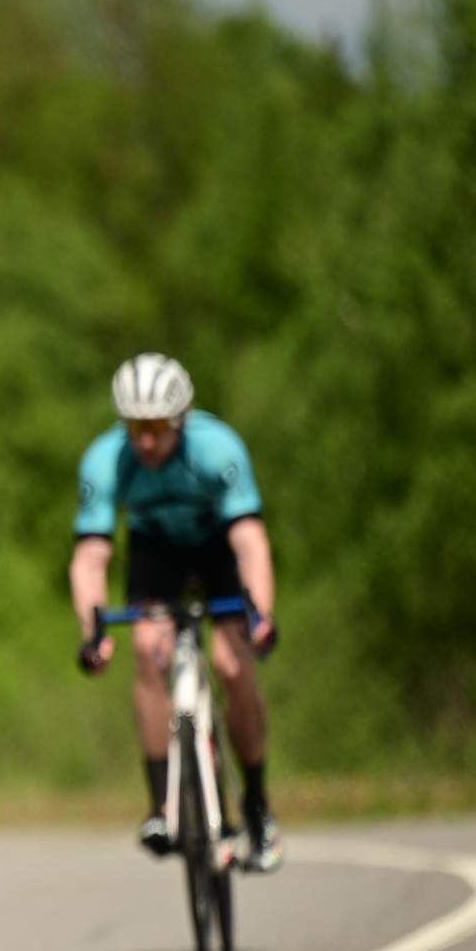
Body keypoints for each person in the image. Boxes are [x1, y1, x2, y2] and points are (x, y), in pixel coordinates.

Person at [69, 353, 281, 872]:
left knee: (233, 667)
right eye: (136, 427)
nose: (145, 441)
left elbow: (249, 539)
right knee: (147, 649)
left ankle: (256, 803)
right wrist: (93, 631)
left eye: (158, 428)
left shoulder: (219, 449)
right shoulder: (105, 461)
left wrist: (263, 615)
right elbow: (91, 556)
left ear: (181, 419)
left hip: (216, 548)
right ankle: (161, 803)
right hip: (155, 550)